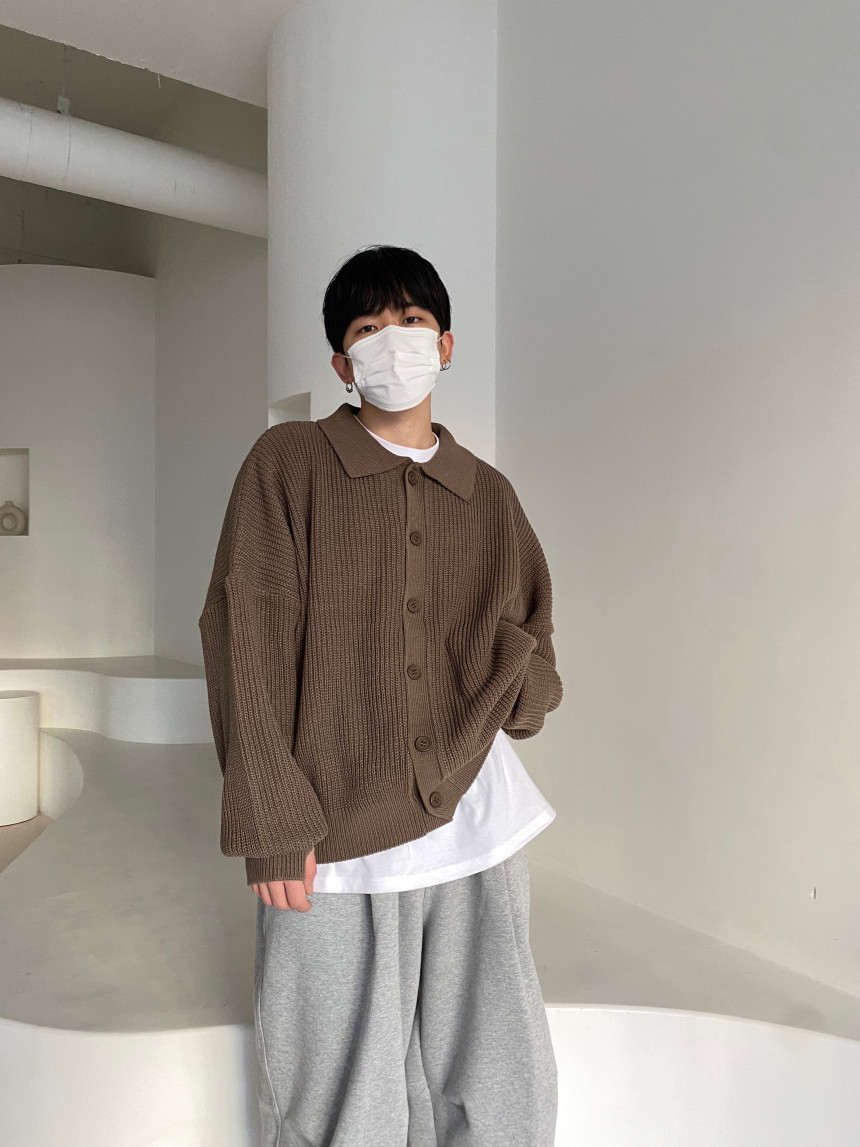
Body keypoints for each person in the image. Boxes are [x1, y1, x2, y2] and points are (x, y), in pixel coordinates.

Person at [198, 244, 564, 1146]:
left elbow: (532, 637)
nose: (392, 340)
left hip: (479, 820)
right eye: (368, 327)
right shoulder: (288, 463)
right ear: (341, 363)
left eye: (411, 321)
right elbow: (246, 632)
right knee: (341, 1092)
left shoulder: (488, 494)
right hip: (331, 828)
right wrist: (272, 818)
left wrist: (519, 688)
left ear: (445, 346)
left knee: (500, 1077)